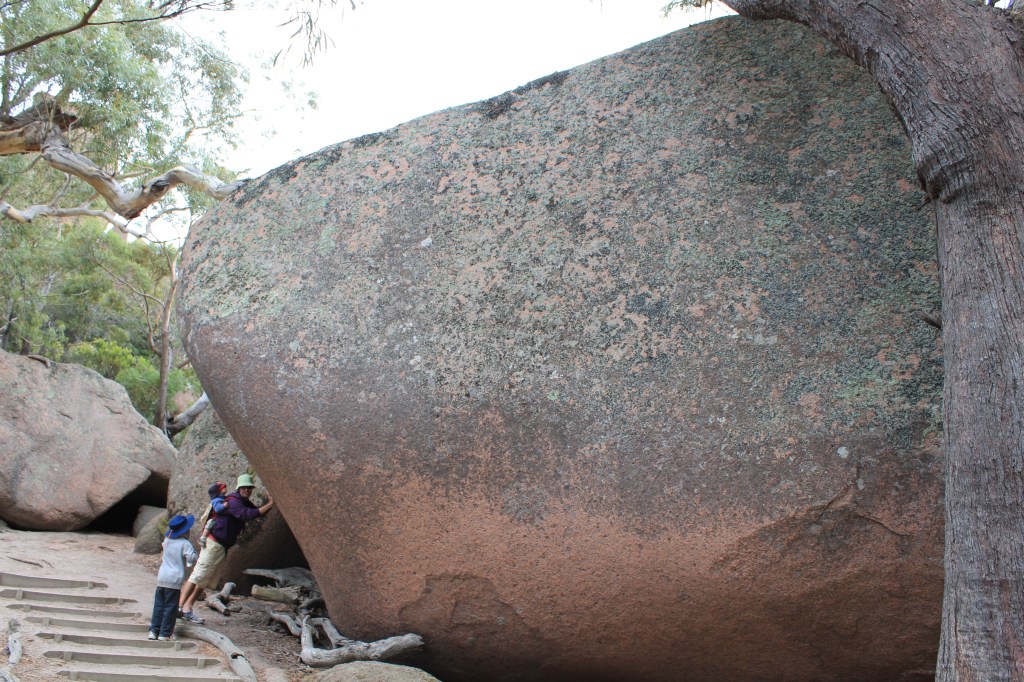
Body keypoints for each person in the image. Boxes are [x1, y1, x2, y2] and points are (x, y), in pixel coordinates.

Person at [177, 473, 274, 623]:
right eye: (244, 488)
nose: (247, 490)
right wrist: (271, 504)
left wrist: (269, 503)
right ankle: (178, 607)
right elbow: (247, 515)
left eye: (249, 488)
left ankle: (187, 608)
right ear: (239, 488)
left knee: (205, 580)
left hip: (221, 547)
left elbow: (255, 512)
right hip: (214, 544)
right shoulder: (234, 502)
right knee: (197, 575)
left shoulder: (243, 501)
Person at [149, 514, 197, 641]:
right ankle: (165, 633)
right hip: (174, 579)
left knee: (159, 605)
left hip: (162, 577)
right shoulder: (184, 543)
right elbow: (191, 557)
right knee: (170, 607)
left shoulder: (167, 540)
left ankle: (154, 631)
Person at [198, 482, 228, 548]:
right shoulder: (216, 500)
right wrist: (223, 505)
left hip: (219, 517)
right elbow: (217, 509)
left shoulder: (222, 498)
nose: (225, 488)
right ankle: (203, 537)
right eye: (223, 487)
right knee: (209, 525)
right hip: (214, 517)